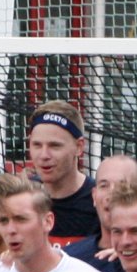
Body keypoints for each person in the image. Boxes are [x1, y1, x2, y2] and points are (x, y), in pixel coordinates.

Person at [27, 101, 101, 244]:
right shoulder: (18, 199)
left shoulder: (99, 202)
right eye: (37, 145)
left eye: (54, 146)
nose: (44, 155)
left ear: (79, 147)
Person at [62, 152, 137, 261]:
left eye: (122, 186)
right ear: (94, 196)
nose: (111, 195)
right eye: (104, 186)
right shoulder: (70, 259)